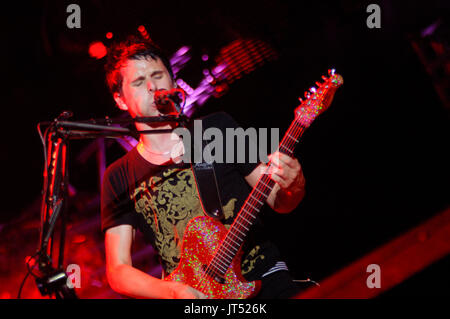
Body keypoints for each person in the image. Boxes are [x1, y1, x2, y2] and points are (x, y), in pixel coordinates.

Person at [101, 35, 306, 299]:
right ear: (120, 99)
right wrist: (172, 291)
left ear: (174, 82)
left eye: (158, 75)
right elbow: (117, 270)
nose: (152, 87)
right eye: (139, 82)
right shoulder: (118, 177)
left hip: (262, 279)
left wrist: (295, 184)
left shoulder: (216, 129)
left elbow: (279, 202)